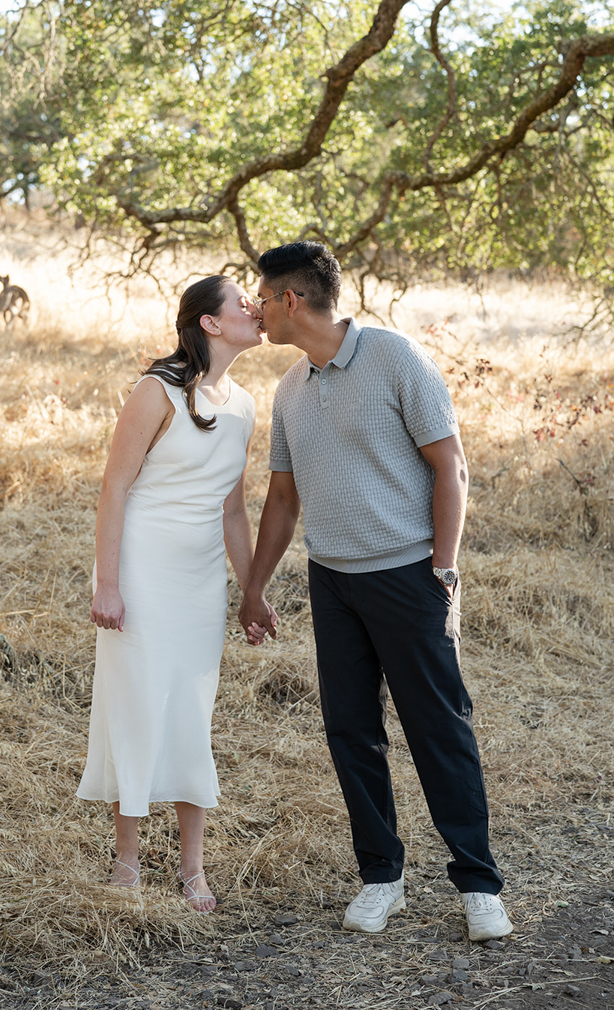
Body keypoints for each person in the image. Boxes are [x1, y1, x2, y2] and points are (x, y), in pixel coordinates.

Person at [239, 241, 512, 943]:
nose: (257, 309)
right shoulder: (289, 390)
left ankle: (479, 884)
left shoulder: (395, 357)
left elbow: (450, 466)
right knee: (351, 733)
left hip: (408, 575)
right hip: (332, 582)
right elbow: (281, 498)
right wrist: (255, 587)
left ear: (292, 300)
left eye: (263, 297)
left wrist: (444, 571)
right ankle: (381, 875)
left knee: (438, 730)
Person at [77, 276, 263, 912]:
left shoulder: (244, 403)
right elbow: (115, 489)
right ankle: (126, 862)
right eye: (243, 303)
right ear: (210, 323)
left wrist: (252, 590)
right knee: (138, 705)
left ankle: (192, 868)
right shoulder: (156, 390)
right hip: (143, 571)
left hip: (201, 580)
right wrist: (108, 582)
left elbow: (233, 511)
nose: (257, 309)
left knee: (191, 711)